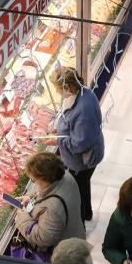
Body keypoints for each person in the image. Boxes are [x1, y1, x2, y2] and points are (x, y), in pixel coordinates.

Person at [41, 67, 105, 222]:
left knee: (79, 189)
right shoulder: (84, 92)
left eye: (57, 89)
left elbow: (80, 143)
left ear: (67, 87)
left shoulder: (83, 110)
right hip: (90, 151)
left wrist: (58, 140)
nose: (57, 92)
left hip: (84, 159)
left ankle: (81, 218)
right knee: (83, 185)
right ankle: (87, 213)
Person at [13, 151, 86, 253]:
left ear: (44, 179)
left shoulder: (53, 209)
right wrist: (31, 199)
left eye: (34, 180)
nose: (34, 184)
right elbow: (47, 193)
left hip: (65, 255)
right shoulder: (66, 175)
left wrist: (22, 219)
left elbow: (42, 238)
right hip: (76, 235)